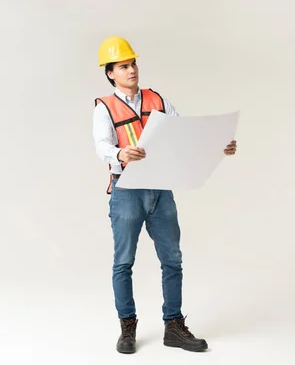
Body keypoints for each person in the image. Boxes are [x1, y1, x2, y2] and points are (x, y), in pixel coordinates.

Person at [92, 36, 237, 354]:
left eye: (133, 63)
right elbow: (102, 145)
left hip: (160, 189)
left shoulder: (157, 99)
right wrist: (120, 154)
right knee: (123, 262)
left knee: (172, 259)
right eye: (124, 66)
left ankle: (174, 326)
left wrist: (218, 145)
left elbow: (183, 133)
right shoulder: (104, 107)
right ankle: (127, 328)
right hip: (126, 191)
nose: (131, 70)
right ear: (110, 73)